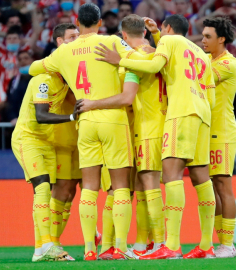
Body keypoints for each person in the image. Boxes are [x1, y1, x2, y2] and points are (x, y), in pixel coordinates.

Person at [29, 3, 149, 260]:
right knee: (119, 187)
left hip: (84, 122)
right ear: (99, 22)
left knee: (89, 188)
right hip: (113, 119)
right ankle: (120, 247)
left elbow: (33, 68)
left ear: (78, 21)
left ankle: (89, 249)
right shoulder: (112, 43)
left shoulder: (64, 51)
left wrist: (59, 65)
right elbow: (141, 57)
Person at [95, 14, 217, 259]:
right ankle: (206, 245)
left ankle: (170, 246)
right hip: (204, 113)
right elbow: (212, 96)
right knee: (202, 178)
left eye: (161, 30)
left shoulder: (169, 42)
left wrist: (121, 60)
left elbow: (153, 66)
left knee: (171, 175)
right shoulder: (202, 55)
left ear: (168, 28)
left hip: (180, 112)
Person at [78, 14, 167, 259]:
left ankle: (111, 245)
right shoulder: (158, 54)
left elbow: (124, 96)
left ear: (123, 36)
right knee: (140, 187)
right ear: (146, 33)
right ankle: (144, 244)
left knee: (120, 189)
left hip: (126, 126)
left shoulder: (127, 61)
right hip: (150, 125)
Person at [11, 47, 79, 263]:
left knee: (45, 193)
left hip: (47, 141)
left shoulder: (65, 82)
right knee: (41, 187)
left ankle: (40, 249)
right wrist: (71, 117)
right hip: (28, 138)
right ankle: (49, 244)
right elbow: (41, 116)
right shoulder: (43, 80)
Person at [201, 16, 236, 258]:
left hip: (222, 131)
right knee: (212, 189)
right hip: (205, 130)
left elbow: (197, 78)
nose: (203, 40)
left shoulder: (228, 64)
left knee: (223, 186)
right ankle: (219, 243)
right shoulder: (207, 59)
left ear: (221, 39)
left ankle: (228, 244)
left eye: (208, 36)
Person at [49, 23, 81, 256]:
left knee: (71, 191)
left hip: (79, 133)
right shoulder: (54, 63)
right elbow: (73, 95)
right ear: (60, 41)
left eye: (78, 36)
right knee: (61, 189)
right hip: (61, 135)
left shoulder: (78, 61)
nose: (77, 40)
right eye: (72, 37)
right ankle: (49, 241)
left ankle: (56, 240)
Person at [4, 50, 32, 125]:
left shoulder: (40, 78)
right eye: (20, 59)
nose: (23, 61)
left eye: (26, 58)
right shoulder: (13, 81)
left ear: (32, 60)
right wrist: (12, 117)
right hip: (17, 122)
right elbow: (10, 101)